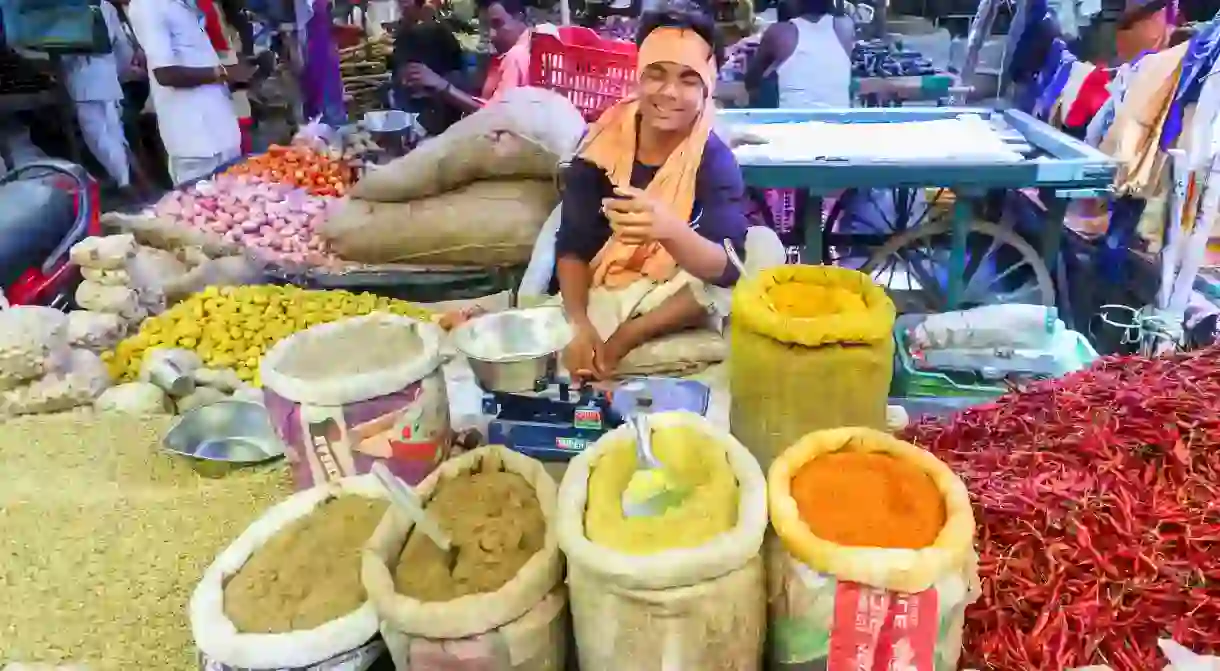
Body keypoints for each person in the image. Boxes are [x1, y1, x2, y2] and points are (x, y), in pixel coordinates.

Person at [555, 8, 750, 382]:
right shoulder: (600, 147)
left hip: (669, 292)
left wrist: (668, 231)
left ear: (708, 87)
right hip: (606, 286)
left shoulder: (713, 158)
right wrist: (579, 324)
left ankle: (629, 338)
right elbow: (573, 245)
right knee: (562, 338)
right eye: (656, 75)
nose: (669, 93)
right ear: (638, 76)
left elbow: (726, 267)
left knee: (747, 266)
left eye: (688, 80)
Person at [127, 0, 253, 185]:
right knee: (201, 208)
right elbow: (165, 74)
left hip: (223, 134)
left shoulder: (185, 6)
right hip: (195, 142)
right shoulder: (148, 5)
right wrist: (224, 73)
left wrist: (246, 75)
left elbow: (202, 66)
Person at [61, 0, 145, 196]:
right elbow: (122, 46)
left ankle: (124, 182)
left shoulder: (67, 8)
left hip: (82, 80)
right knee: (115, 132)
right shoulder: (107, 7)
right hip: (108, 77)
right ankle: (127, 177)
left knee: (98, 136)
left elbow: (63, 52)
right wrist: (120, 72)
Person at [400, 0, 531, 115]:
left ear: (520, 17)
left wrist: (443, 86)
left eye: (497, 24)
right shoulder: (514, 51)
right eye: (486, 27)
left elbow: (497, 116)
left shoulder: (520, 56)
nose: (492, 35)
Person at [744, 0, 852, 108]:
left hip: (792, 122)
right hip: (839, 122)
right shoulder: (846, 27)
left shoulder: (779, 33)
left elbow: (752, 79)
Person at [390, 0, 467, 134]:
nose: (402, 6)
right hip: (427, 104)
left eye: (405, 2)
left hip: (440, 104)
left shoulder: (438, 32)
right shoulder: (404, 34)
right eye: (400, 2)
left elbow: (455, 70)